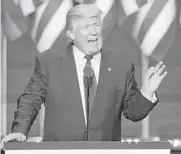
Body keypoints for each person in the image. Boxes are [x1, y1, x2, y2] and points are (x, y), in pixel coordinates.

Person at [2, 4, 167, 143]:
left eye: (96, 25)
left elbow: (133, 113)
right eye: (86, 27)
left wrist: (146, 93)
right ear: (71, 34)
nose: (94, 31)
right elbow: (30, 100)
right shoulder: (49, 62)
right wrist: (20, 131)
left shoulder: (120, 64)